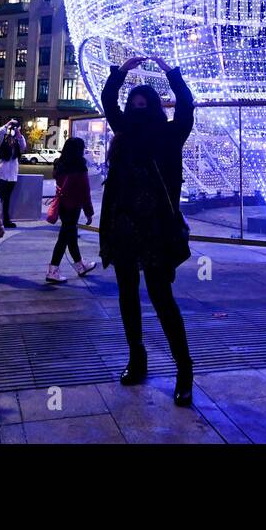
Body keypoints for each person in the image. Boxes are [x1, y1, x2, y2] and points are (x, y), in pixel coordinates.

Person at [99, 54, 195, 407]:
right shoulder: (122, 132)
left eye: (144, 104)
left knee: (161, 298)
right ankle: (136, 358)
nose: (138, 109)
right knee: (127, 294)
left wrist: (172, 71)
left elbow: (186, 105)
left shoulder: (171, 135)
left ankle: (184, 369)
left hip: (156, 228)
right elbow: (110, 101)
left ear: (154, 106)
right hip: (123, 225)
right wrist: (120, 72)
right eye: (133, 104)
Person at [46, 136, 98, 283]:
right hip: (73, 206)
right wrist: (89, 212)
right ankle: (53, 270)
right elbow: (84, 191)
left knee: (70, 235)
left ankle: (80, 265)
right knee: (64, 237)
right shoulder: (80, 166)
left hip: (62, 205)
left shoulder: (60, 164)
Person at [0, 119, 26, 228]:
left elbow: (23, 146)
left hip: (12, 175)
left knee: (7, 199)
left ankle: (6, 220)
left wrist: (19, 135)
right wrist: (6, 125)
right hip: (2, 173)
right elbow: (0, 134)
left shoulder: (17, 142)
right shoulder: (2, 140)